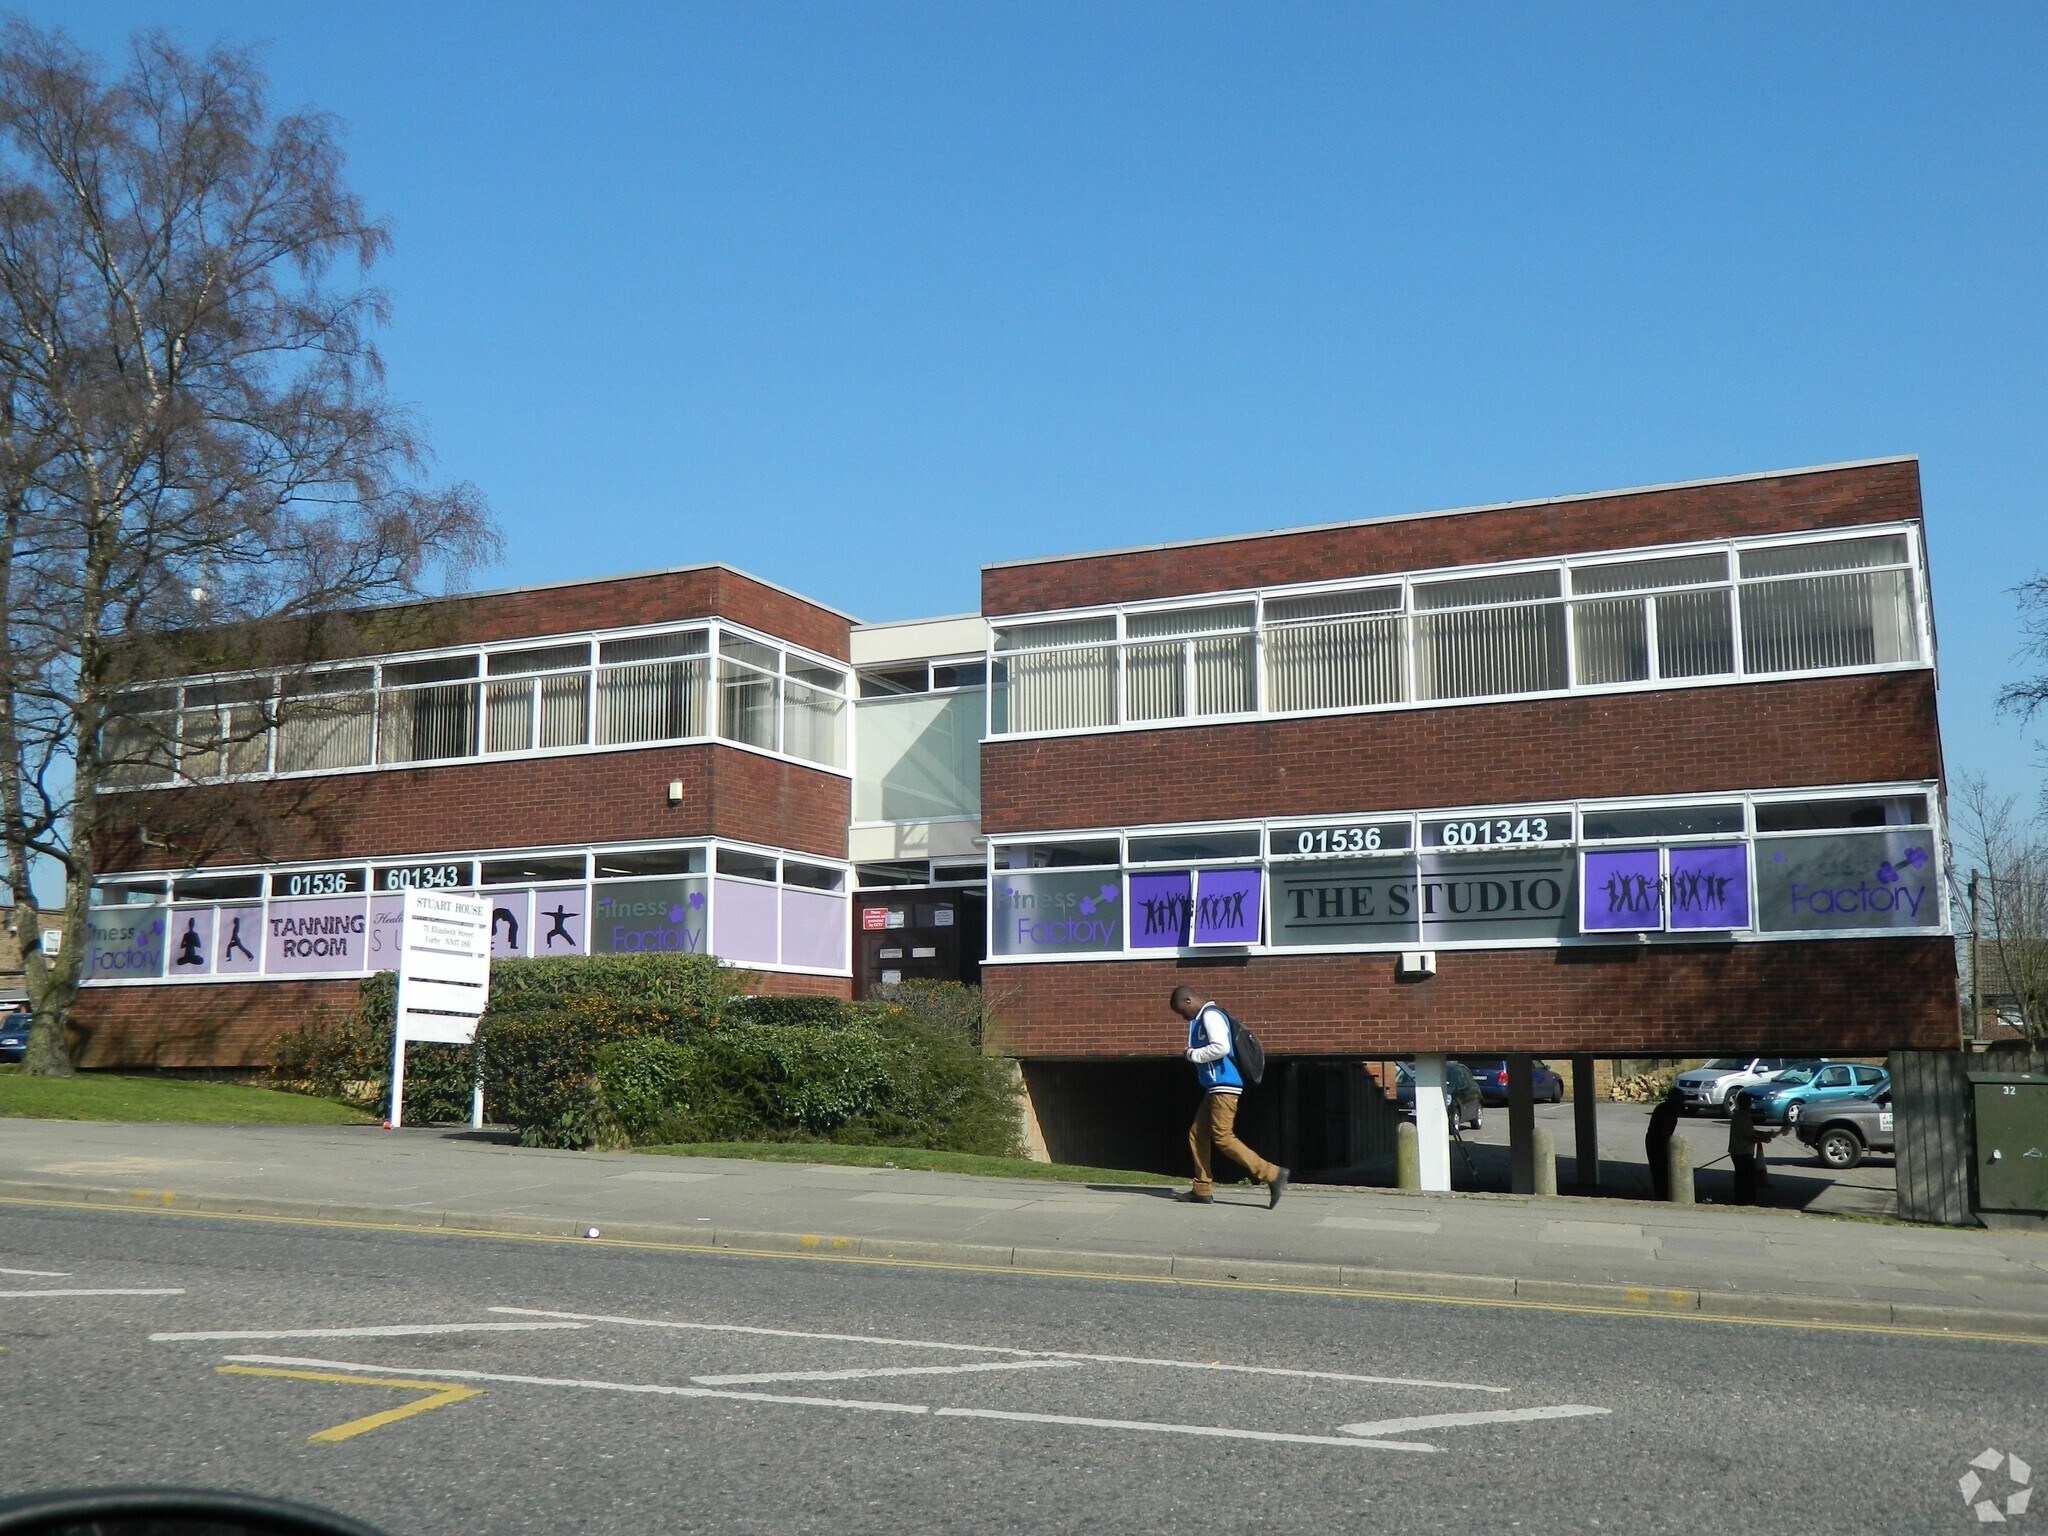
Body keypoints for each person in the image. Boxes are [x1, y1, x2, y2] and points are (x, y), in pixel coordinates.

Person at [1170, 986, 1287, 1208]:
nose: (1183, 1017)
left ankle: (1272, 1174)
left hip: (1225, 1086)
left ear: (1188, 1000)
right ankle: (1202, 1189)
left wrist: (1192, 1054)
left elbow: (1221, 1048)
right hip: (1215, 1087)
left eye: (1181, 1011)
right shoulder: (1205, 1017)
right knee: (1197, 1134)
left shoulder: (1211, 1016)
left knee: (1223, 1137)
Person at [1646, 1084, 1683, 1201]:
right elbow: (1664, 1132)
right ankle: (1662, 1195)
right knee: (1660, 1171)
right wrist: (1666, 1150)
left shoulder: (1665, 1108)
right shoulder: (1667, 1111)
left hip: (1654, 1141)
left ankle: (1662, 1194)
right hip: (1656, 1143)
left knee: (1660, 1171)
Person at [1729, 1093, 1765, 1204]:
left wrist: (1763, 1134)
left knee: (1740, 1177)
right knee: (1748, 1179)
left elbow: (1749, 1132)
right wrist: (1763, 1138)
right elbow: (1749, 1137)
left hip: (1735, 1151)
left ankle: (1740, 1200)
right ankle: (1746, 1201)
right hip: (1743, 1152)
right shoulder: (1744, 1116)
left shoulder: (1736, 1115)